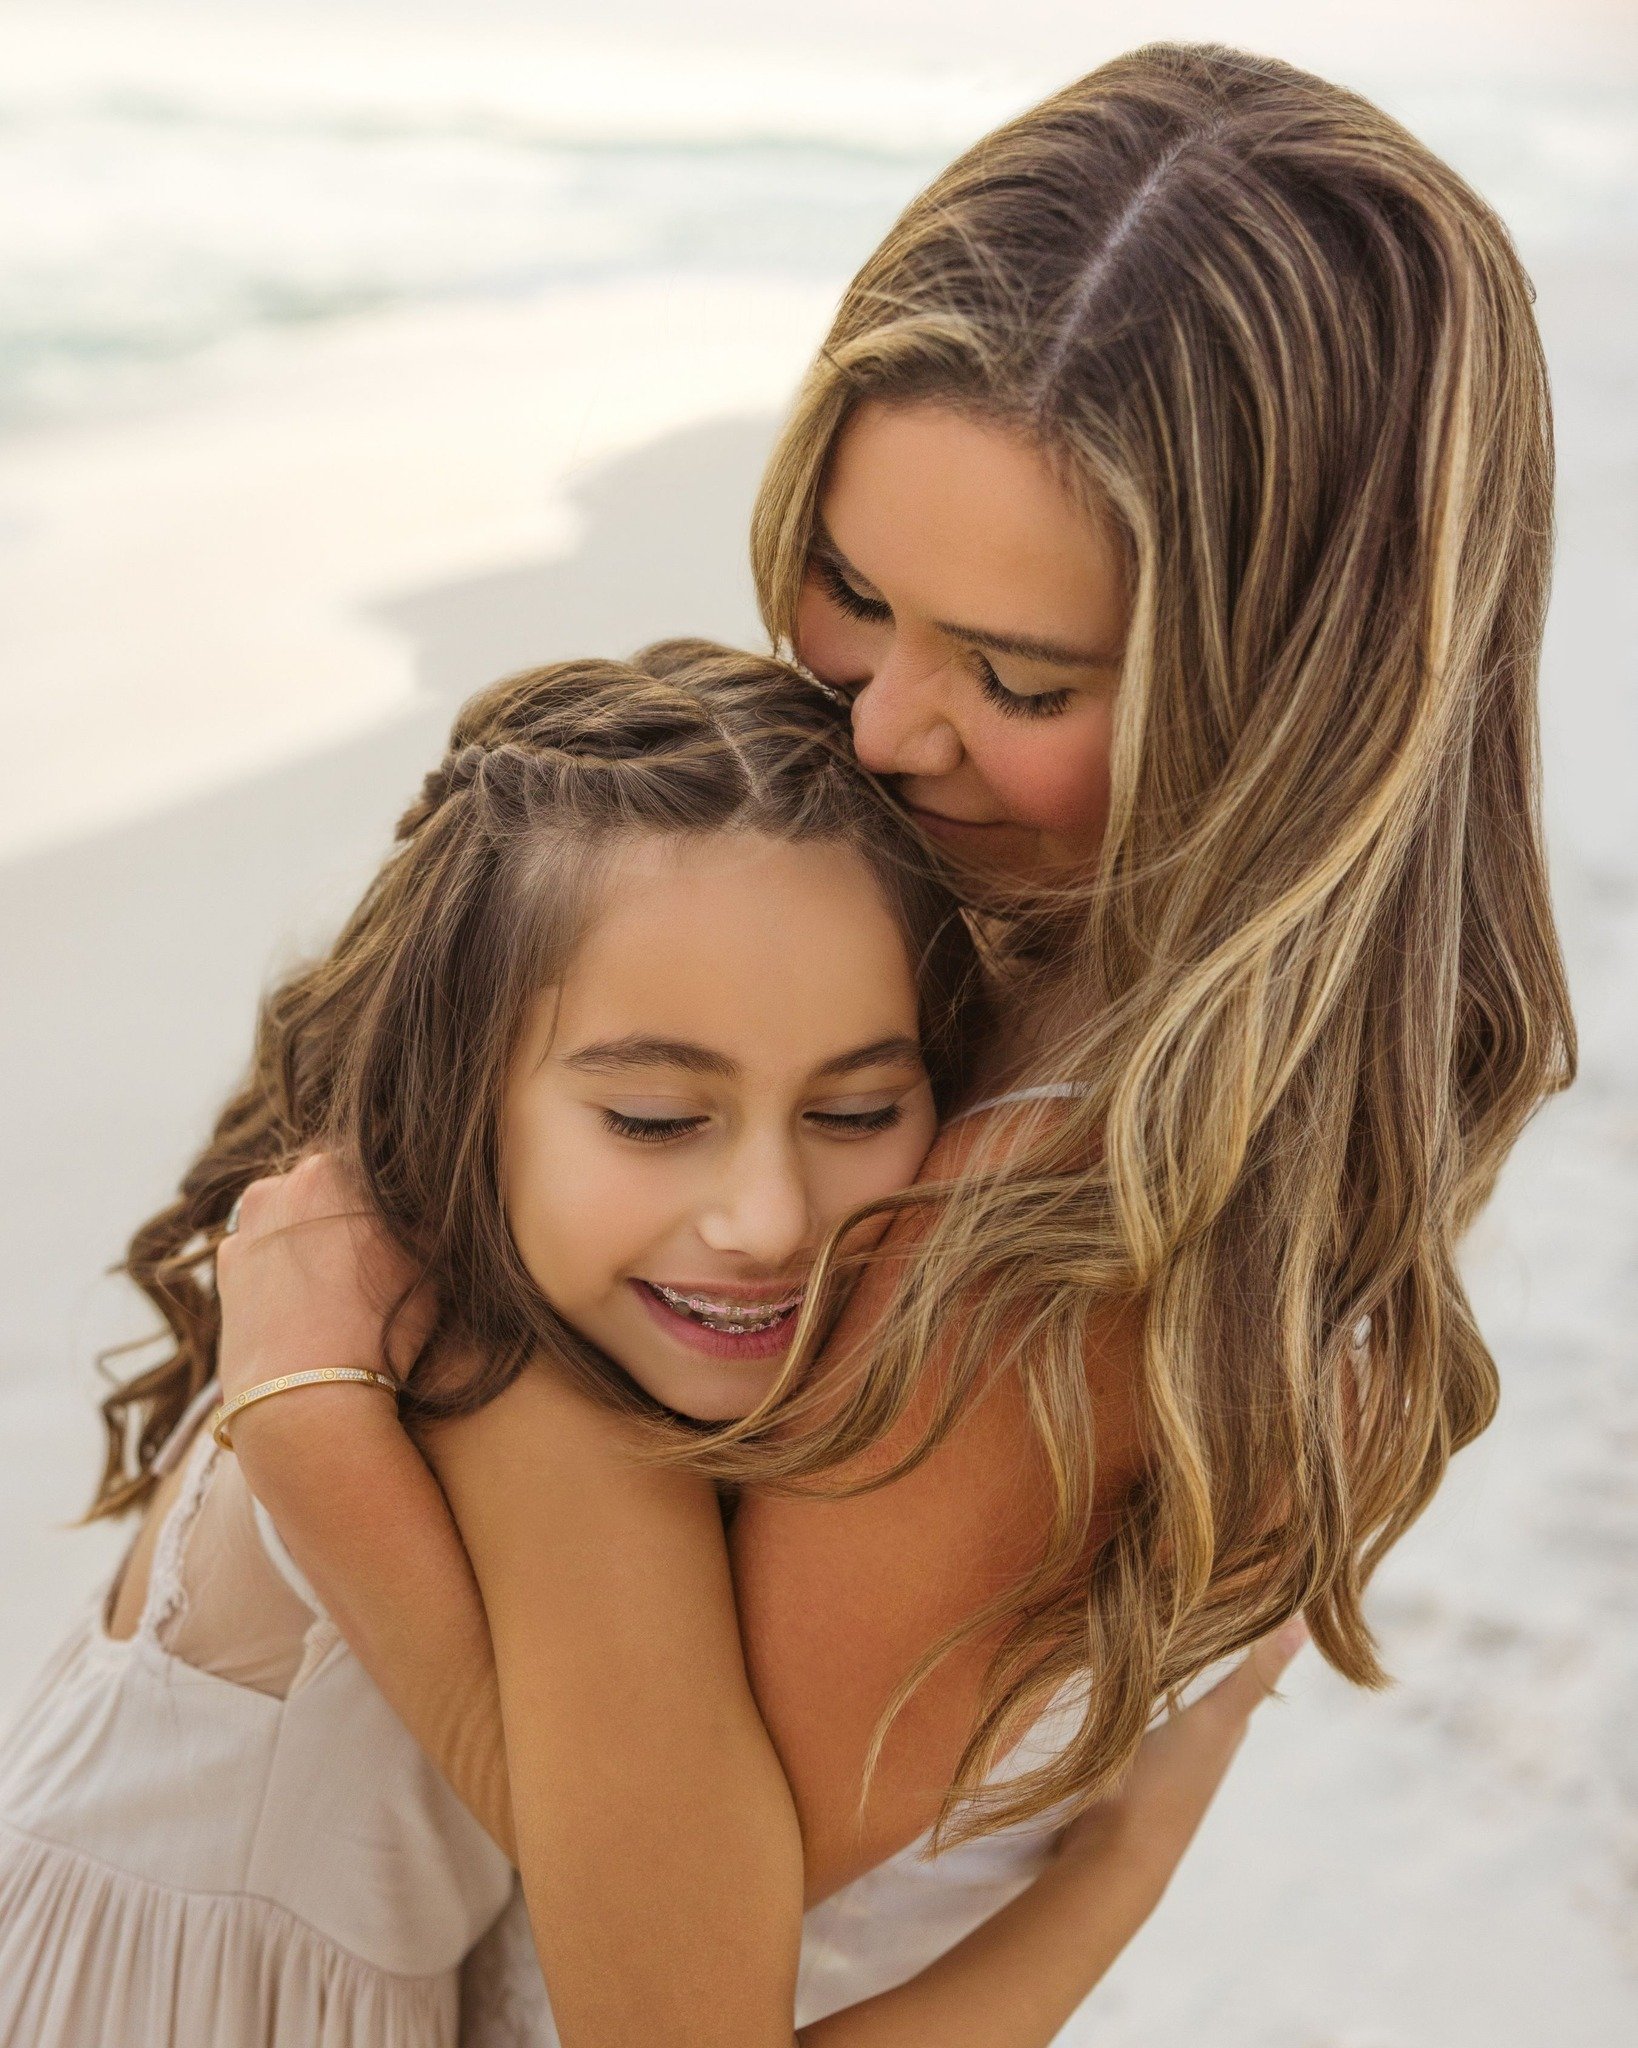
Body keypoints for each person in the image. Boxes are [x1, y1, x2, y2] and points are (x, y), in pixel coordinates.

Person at [102, 30, 1585, 2041]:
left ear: (1289, 693)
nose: (885, 724)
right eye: (851, 588)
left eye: (1021, 672)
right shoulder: (1051, 998)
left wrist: (358, 1418)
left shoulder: (1034, 1227)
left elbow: (656, 1998)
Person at [0, 642, 1291, 2048]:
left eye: (856, 1114)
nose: (765, 1220)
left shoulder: (487, 1305)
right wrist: (1133, 1843)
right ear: (460, 1092)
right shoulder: (501, 1388)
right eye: (657, 1122)